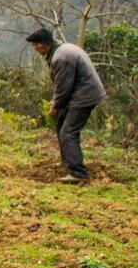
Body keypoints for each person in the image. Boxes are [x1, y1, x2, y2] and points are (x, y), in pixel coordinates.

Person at [26, 27, 107, 184]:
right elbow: (63, 85)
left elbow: (64, 86)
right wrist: (56, 101)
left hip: (84, 96)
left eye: (35, 45)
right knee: (62, 126)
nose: (35, 49)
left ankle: (78, 173)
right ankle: (67, 164)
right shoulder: (61, 50)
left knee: (68, 132)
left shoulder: (61, 57)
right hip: (82, 93)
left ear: (43, 44)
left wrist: (55, 106)